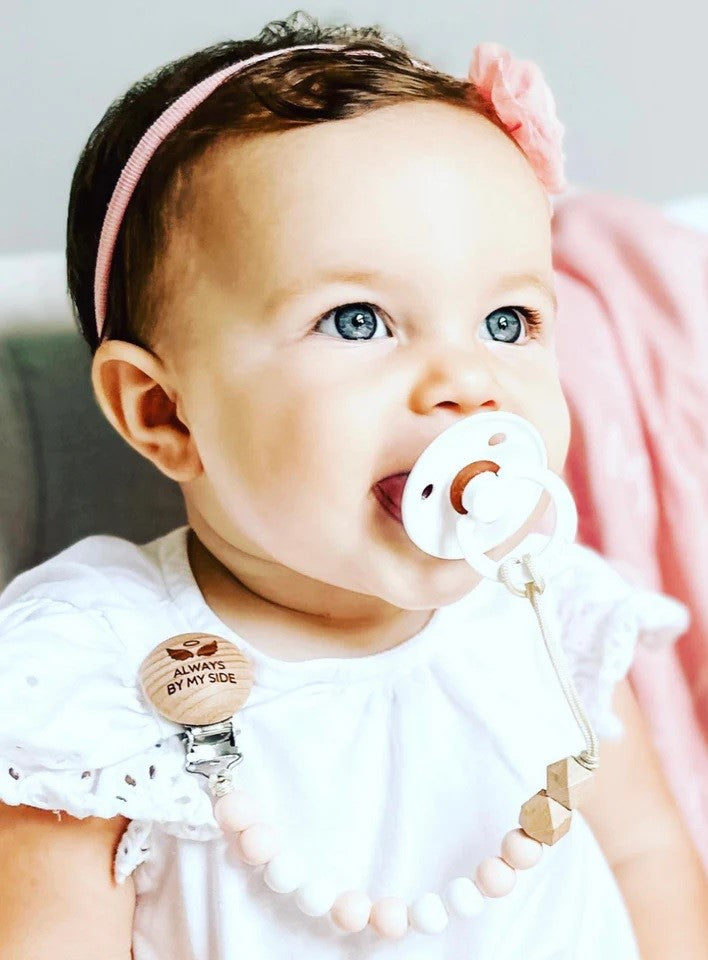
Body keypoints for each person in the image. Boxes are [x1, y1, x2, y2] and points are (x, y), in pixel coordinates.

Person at [1, 9, 707, 959]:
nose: (469, 381)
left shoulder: (549, 610)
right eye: (358, 320)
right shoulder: (90, 672)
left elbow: (649, 861)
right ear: (164, 412)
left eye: (507, 322)